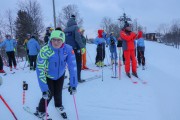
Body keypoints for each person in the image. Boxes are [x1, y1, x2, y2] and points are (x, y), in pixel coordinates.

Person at [35, 30, 78, 119]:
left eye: (59, 40)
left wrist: (73, 84)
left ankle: (58, 105)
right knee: (48, 94)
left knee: (58, 92)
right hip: (48, 76)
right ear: (50, 40)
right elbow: (40, 70)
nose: (56, 42)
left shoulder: (68, 49)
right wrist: (44, 89)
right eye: (54, 39)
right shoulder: (45, 50)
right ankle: (41, 110)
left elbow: (72, 67)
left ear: (63, 40)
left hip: (60, 74)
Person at [64, 15, 85, 83]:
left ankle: (71, 79)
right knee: (78, 64)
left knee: (71, 64)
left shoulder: (65, 29)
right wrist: (82, 47)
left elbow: (64, 40)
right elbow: (78, 38)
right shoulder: (76, 27)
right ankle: (78, 78)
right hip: (76, 49)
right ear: (74, 20)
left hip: (68, 49)